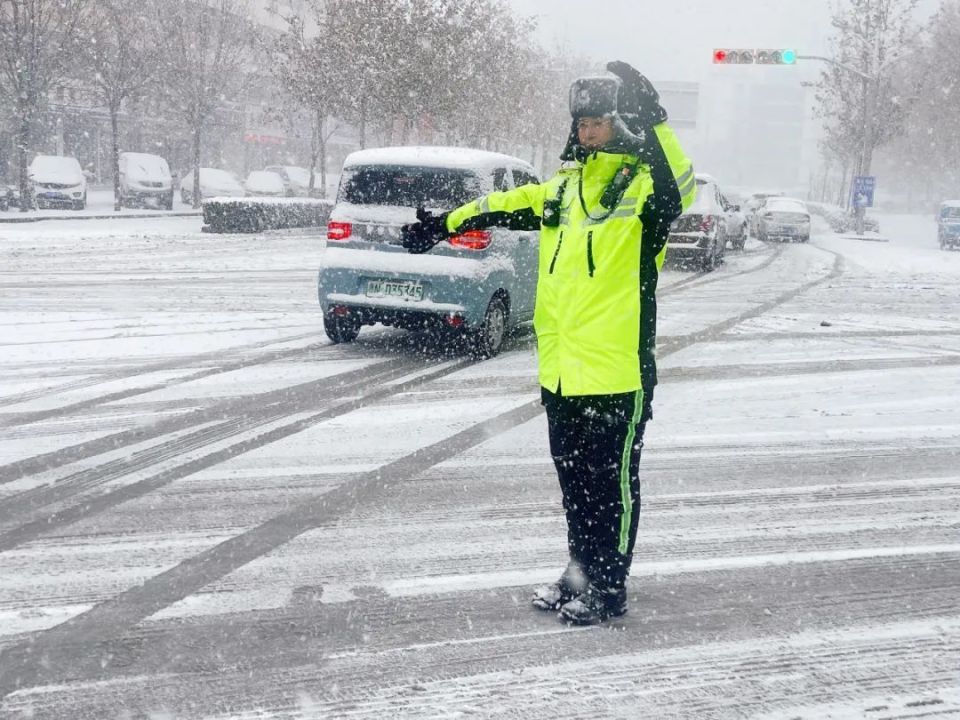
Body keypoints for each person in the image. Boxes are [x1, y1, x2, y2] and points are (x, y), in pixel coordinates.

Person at [401, 61, 695, 624]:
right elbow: (505, 205)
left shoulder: (640, 192)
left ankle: (608, 588)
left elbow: (679, 186)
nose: (588, 133)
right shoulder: (563, 188)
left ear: (622, 125)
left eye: (600, 122)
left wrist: (656, 121)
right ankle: (579, 571)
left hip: (617, 373)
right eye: (582, 122)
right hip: (561, 372)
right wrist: (445, 224)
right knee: (576, 486)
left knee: (613, 490)